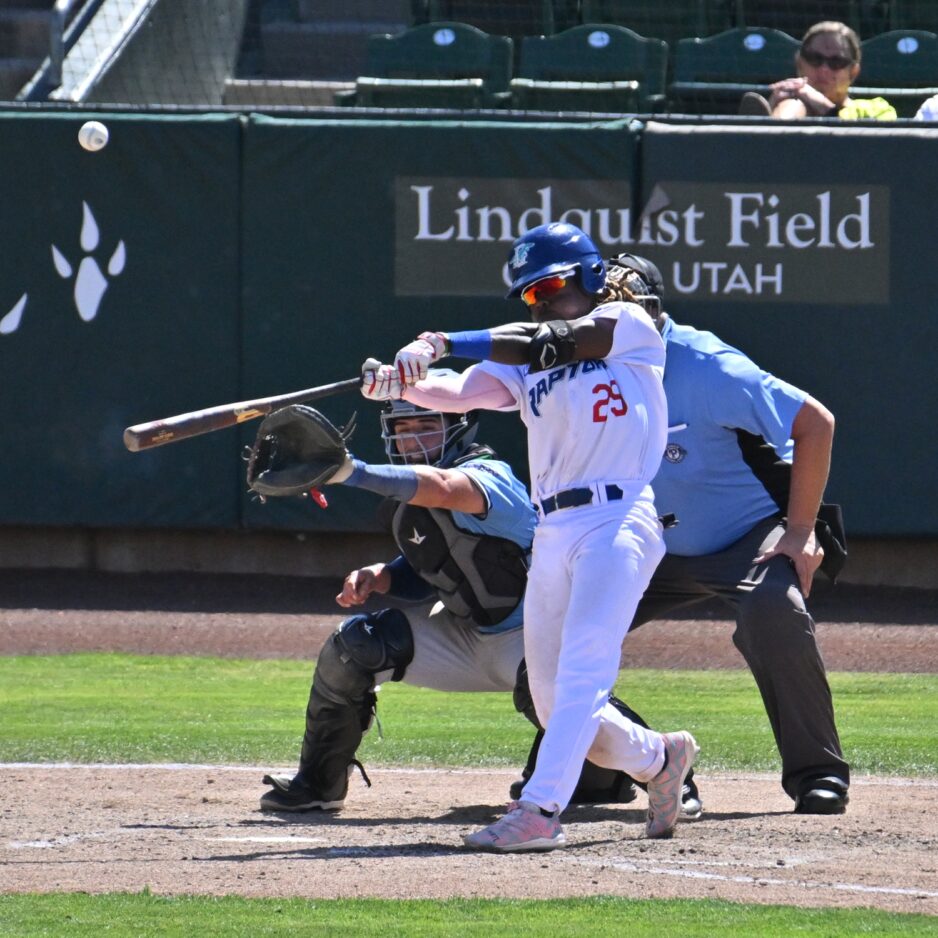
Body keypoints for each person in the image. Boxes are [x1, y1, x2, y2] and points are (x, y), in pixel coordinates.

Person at [368, 222, 700, 852]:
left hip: (617, 518)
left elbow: (553, 341)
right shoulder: (527, 363)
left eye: (549, 286)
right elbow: (460, 392)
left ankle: (540, 811)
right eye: (529, 293)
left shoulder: (628, 326)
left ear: (590, 277)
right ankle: (659, 759)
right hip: (553, 529)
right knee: (549, 699)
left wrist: (441, 340)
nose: (540, 300)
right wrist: (401, 382)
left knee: (583, 673)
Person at [257, 383, 690, 815]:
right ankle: (317, 785)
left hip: (532, 635)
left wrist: (354, 472)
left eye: (426, 426)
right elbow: (442, 562)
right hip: (467, 637)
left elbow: (445, 489)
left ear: (458, 427)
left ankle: (665, 771)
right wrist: (384, 576)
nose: (413, 439)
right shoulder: (406, 496)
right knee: (355, 646)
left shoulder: (487, 474)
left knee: (559, 705)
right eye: (403, 429)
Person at [549, 252, 848, 815]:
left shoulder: (708, 366)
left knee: (773, 608)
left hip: (746, 536)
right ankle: (619, 768)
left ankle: (818, 773)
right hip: (644, 542)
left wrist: (800, 529)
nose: (614, 319)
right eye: (602, 309)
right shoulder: (581, 370)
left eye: (625, 306)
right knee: (547, 642)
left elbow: (815, 423)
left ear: (652, 311)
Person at [738, 21, 897, 120]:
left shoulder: (878, 109)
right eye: (814, 59)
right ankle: (766, 129)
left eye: (836, 62)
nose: (823, 69)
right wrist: (773, 106)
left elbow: (871, 148)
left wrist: (821, 105)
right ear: (800, 63)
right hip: (785, 162)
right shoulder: (790, 103)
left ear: (853, 72)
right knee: (793, 104)